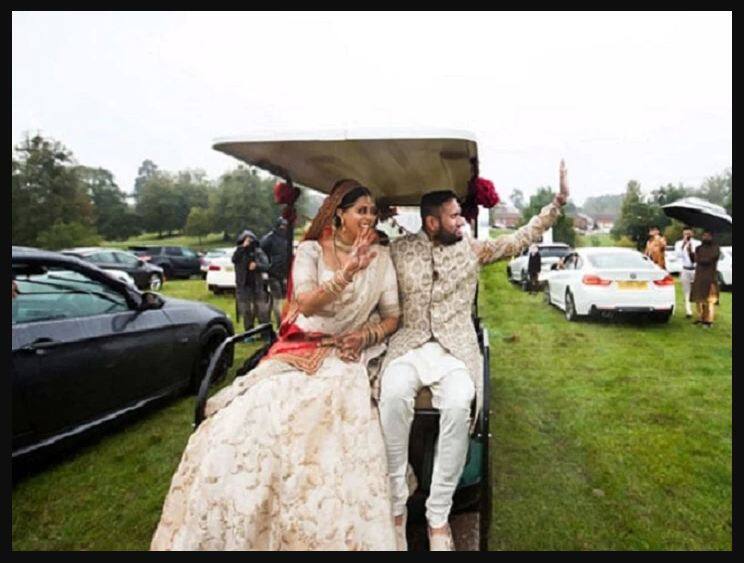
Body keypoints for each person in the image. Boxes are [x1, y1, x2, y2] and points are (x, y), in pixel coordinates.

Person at [151, 180, 401, 550]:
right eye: (360, 210)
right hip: (302, 347)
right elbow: (307, 303)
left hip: (346, 356)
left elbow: (392, 317)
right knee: (248, 417)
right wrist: (348, 271)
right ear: (339, 214)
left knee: (325, 424)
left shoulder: (381, 258)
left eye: (372, 211)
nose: (368, 218)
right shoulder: (312, 250)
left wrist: (365, 337)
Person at [379, 161, 569, 550]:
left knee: (459, 404)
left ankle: (437, 516)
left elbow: (519, 238)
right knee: (393, 395)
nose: (462, 221)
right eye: (454, 216)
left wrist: (556, 205)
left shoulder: (471, 249)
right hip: (409, 345)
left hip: (455, 350)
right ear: (432, 222)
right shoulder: (398, 250)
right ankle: (396, 505)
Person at [232, 230, 271, 331]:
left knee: (262, 310)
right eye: (246, 240)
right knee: (246, 311)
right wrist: (242, 247)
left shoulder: (258, 252)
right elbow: (234, 259)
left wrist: (257, 266)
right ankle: (249, 332)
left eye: (250, 241)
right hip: (243, 285)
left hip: (257, 285)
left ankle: (264, 331)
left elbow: (267, 265)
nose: (249, 243)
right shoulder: (239, 252)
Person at [260, 217, 291, 326]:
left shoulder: (286, 238)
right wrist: (267, 265)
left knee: (274, 300)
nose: (283, 228)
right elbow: (260, 252)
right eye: (281, 225)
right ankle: (280, 325)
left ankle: (265, 321)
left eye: (285, 226)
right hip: (272, 273)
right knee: (277, 300)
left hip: (283, 274)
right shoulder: (269, 238)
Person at [690, 229, 720, 328]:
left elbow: (709, 260)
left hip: (710, 277)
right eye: (704, 236)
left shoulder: (715, 248)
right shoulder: (698, 248)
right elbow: (694, 260)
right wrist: (690, 251)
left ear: (712, 237)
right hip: (699, 276)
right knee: (698, 298)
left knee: (709, 299)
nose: (705, 237)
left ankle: (708, 320)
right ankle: (700, 318)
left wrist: (698, 258)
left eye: (708, 236)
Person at [674, 227, 701, 318]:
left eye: (688, 233)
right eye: (685, 234)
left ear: (692, 233)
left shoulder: (697, 243)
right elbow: (678, 255)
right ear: (683, 234)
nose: (687, 235)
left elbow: (698, 256)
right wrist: (683, 245)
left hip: (695, 269)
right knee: (686, 291)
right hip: (685, 269)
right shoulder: (679, 243)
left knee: (697, 290)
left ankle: (699, 310)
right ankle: (688, 311)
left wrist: (691, 249)